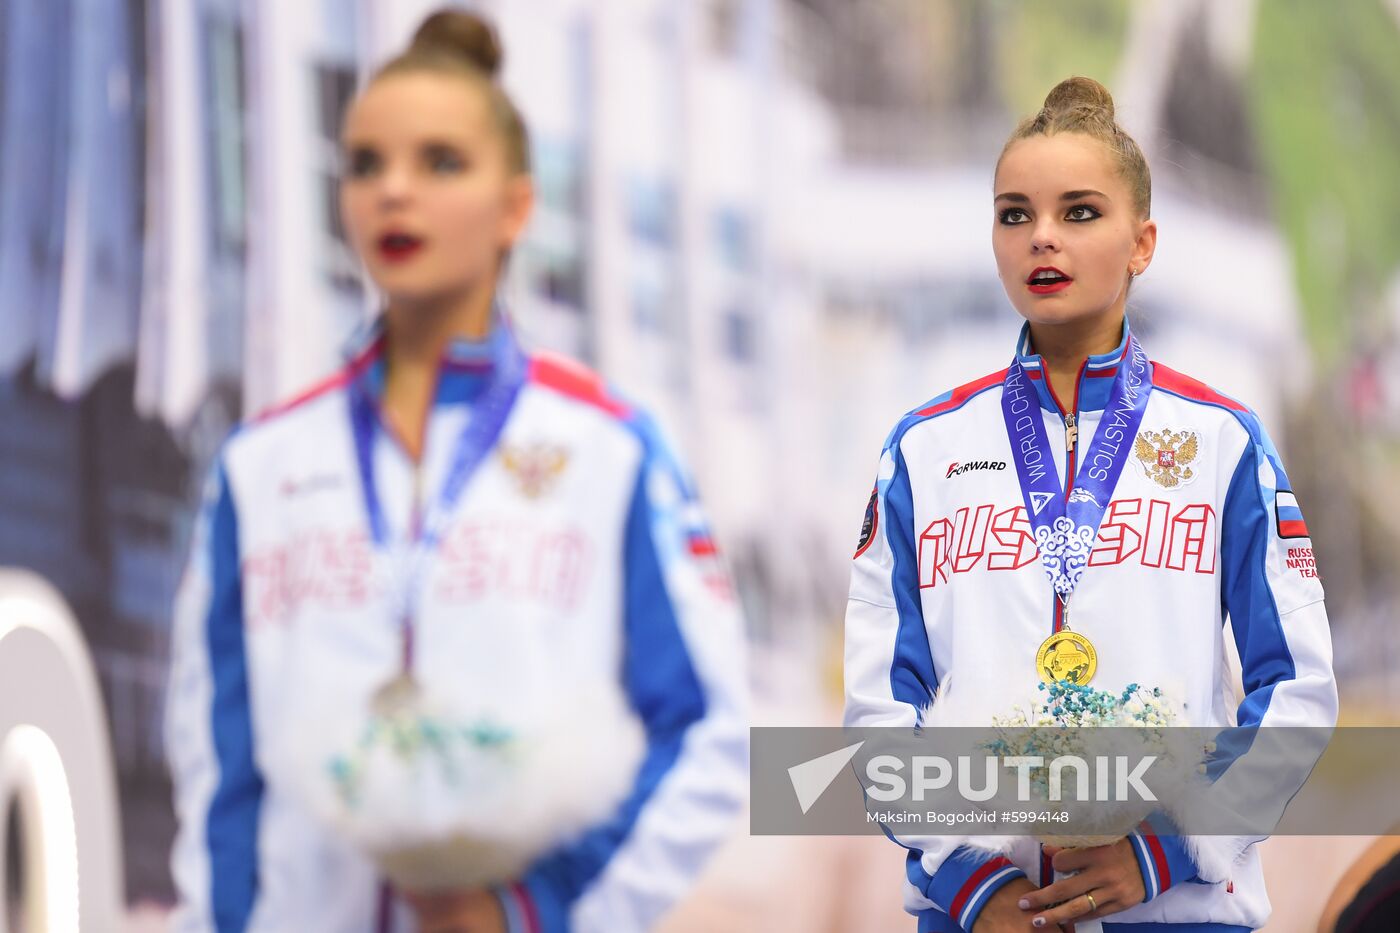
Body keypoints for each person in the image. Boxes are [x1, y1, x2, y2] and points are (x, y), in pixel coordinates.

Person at [164, 10, 747, 933]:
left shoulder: (610, 447)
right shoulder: (261, 465)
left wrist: (535, 905)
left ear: (516, 205)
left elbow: (711, 733)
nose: (394, 192)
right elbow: (219, 769)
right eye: (364, 163)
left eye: (440, 162)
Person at [843, 76, 1338, 932]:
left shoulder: (1221, 440)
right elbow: (882, 709)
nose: (1042, 236)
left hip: (1179, 911)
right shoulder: (923, 450)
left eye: (1079, 212)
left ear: (1142, 242)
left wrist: (1165, 849)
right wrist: (971, 886)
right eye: (1013, 214)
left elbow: (1295, 689)